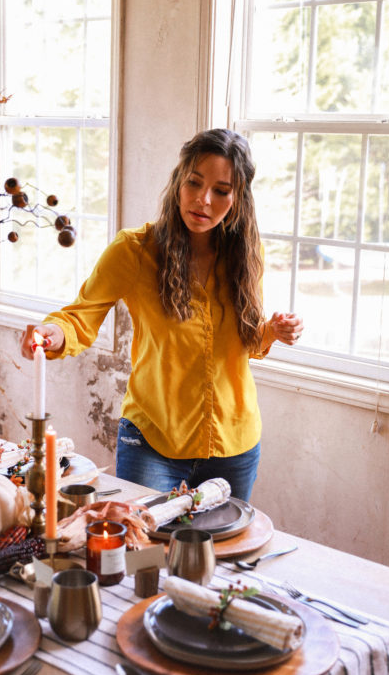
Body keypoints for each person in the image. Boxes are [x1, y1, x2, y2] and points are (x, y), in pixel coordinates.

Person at [20, 128, 303, 501]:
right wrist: (52, 333)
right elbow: (80, 315)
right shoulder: (134, 251)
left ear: (238, 198)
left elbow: (241, 344)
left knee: (215, 557)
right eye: (194, 183)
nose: (203, 200)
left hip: (234, 446)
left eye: (221, 191)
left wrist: (271, 332)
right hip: (152, 442)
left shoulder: (247, 256)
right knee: (145, 550)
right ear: (178, 182)